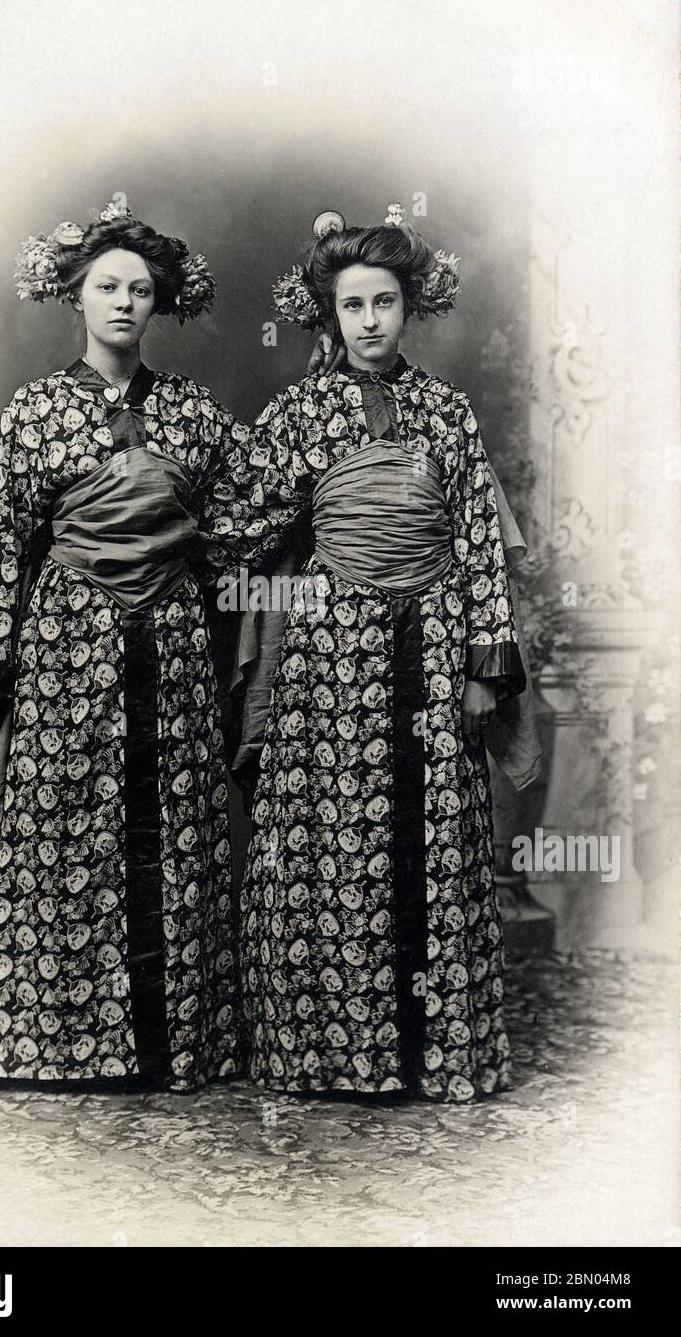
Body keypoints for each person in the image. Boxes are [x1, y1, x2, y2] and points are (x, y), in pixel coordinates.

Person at [202, 204, 534, 1102]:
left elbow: (473, 545)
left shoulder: (447, 414)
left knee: (431, 835)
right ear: (329, 314)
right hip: (327, 656)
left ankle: (435, 1049)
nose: (371, 321)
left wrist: (481, 670)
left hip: (431, 650)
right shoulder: (299, 414)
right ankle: (333, 1053)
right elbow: (240, 526)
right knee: (334, 839)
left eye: (385, 301)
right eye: (353, 306)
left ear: (409, 306)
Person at [0, 194, 242, 1097]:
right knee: (52, 839)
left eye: (140, 290)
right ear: (75, 295)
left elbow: (244, 518)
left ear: (159, 304)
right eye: (106, 286)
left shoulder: (192, 413)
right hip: (67, 651)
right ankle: (22, 1044)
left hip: (174, 647)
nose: (122, 303)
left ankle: (173, 1044)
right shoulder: (33, 413)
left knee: (174, 829)